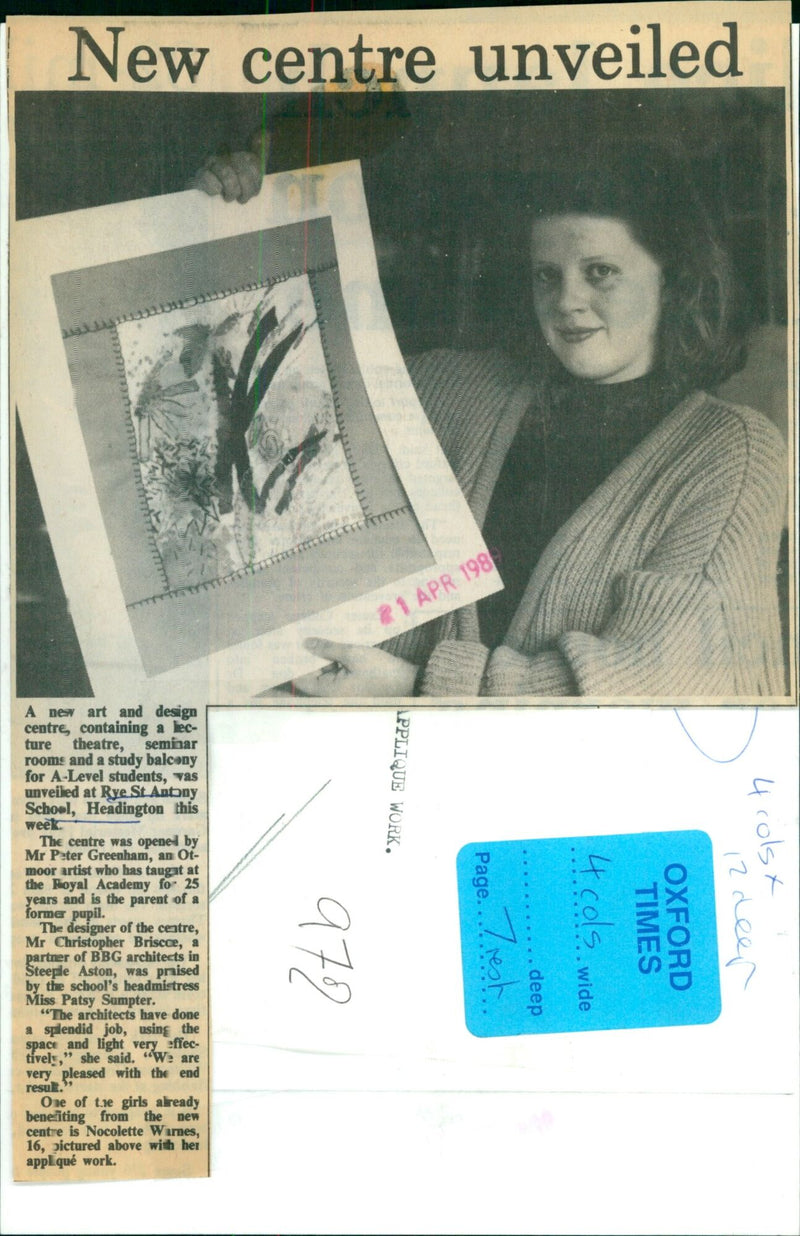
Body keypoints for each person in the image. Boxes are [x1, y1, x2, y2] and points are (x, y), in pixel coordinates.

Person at [195, 138, 787, 698]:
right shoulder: (446, 387)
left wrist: (416, 686)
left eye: (599, 271)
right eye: (546, 275)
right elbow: (239, 409)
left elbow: (655, 681)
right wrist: (218, 217)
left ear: (673, 278)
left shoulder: (734, 451)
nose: (566, 301)